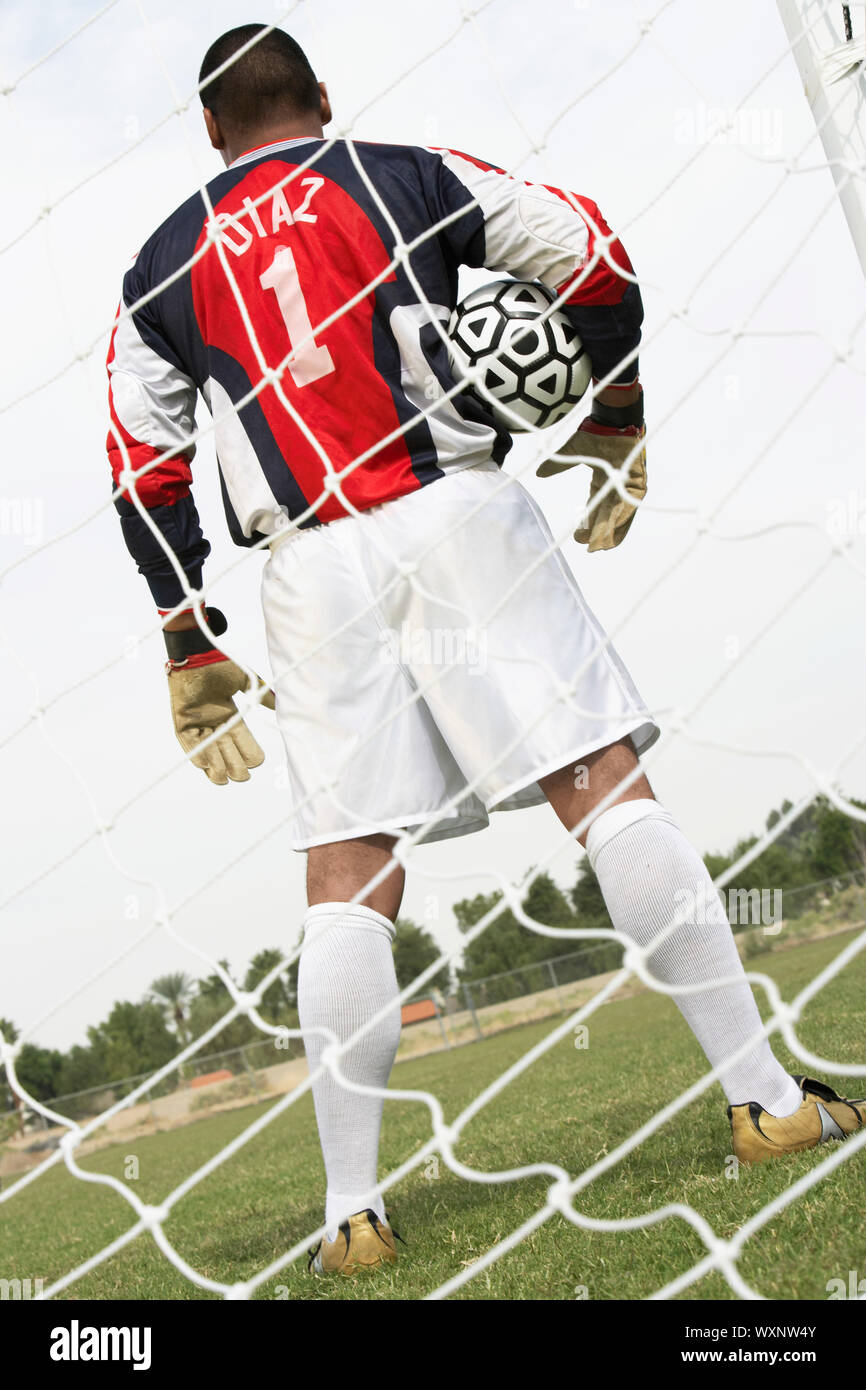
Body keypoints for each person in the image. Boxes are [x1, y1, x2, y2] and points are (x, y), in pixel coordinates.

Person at [106, 24, 864, 1277]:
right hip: (455, 512)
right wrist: (613, 413)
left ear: (210, 133)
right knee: (599, 788)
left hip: (304, 563)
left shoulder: (159, 262)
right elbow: (594, 254)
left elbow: (145, 468)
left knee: (348, 872)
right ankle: (764, 1101)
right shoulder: (397, 171)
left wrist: (188, 636)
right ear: (322, 101)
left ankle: (354, 1214)